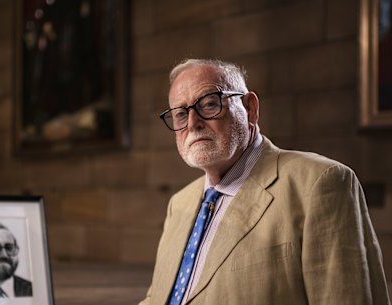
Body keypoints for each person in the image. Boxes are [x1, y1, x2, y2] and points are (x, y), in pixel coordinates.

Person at [139, 59, 390, 305]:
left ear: (250, 108)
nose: (193, 123)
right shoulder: (179, 203)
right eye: (181, 114)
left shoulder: (319, 183)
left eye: (209, 104)